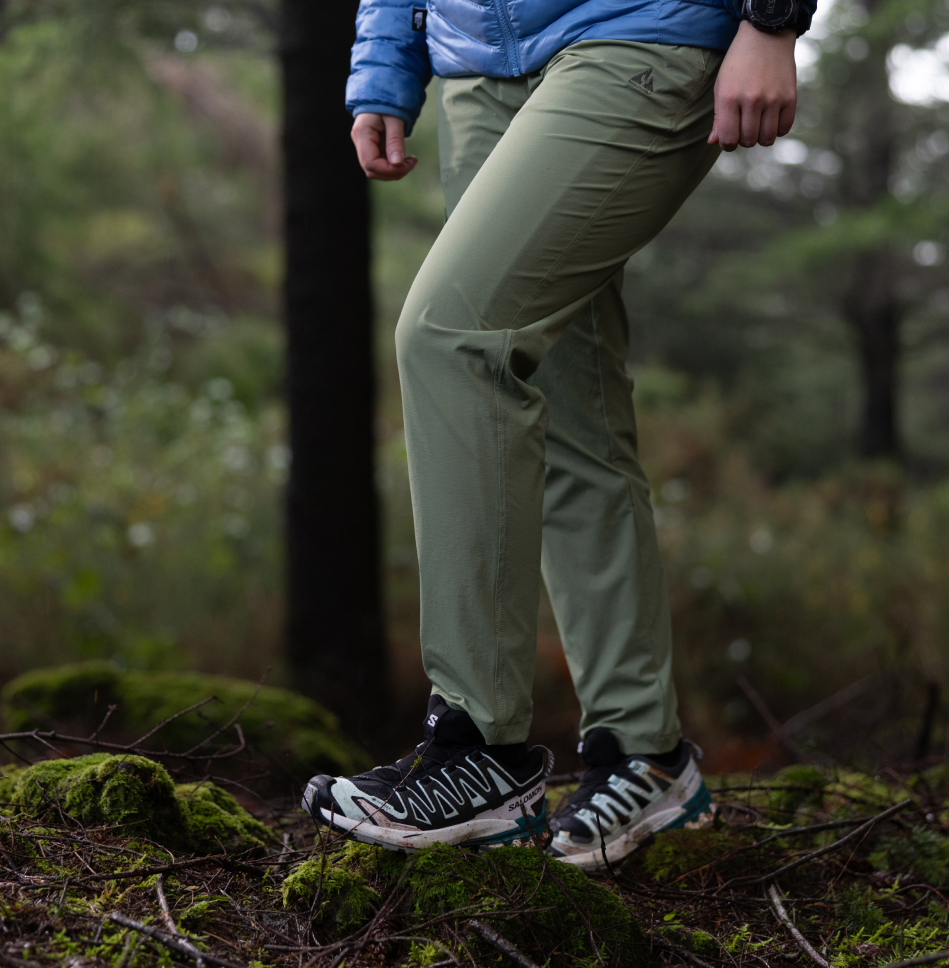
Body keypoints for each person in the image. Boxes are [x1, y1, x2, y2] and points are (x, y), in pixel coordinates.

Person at [302, 0, 814, 869]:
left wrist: (772, 20)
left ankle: (480, 754)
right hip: (474, 67)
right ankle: (646, 759)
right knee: (566, 407)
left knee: (452, 337)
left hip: (637, 35)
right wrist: (385, 66)